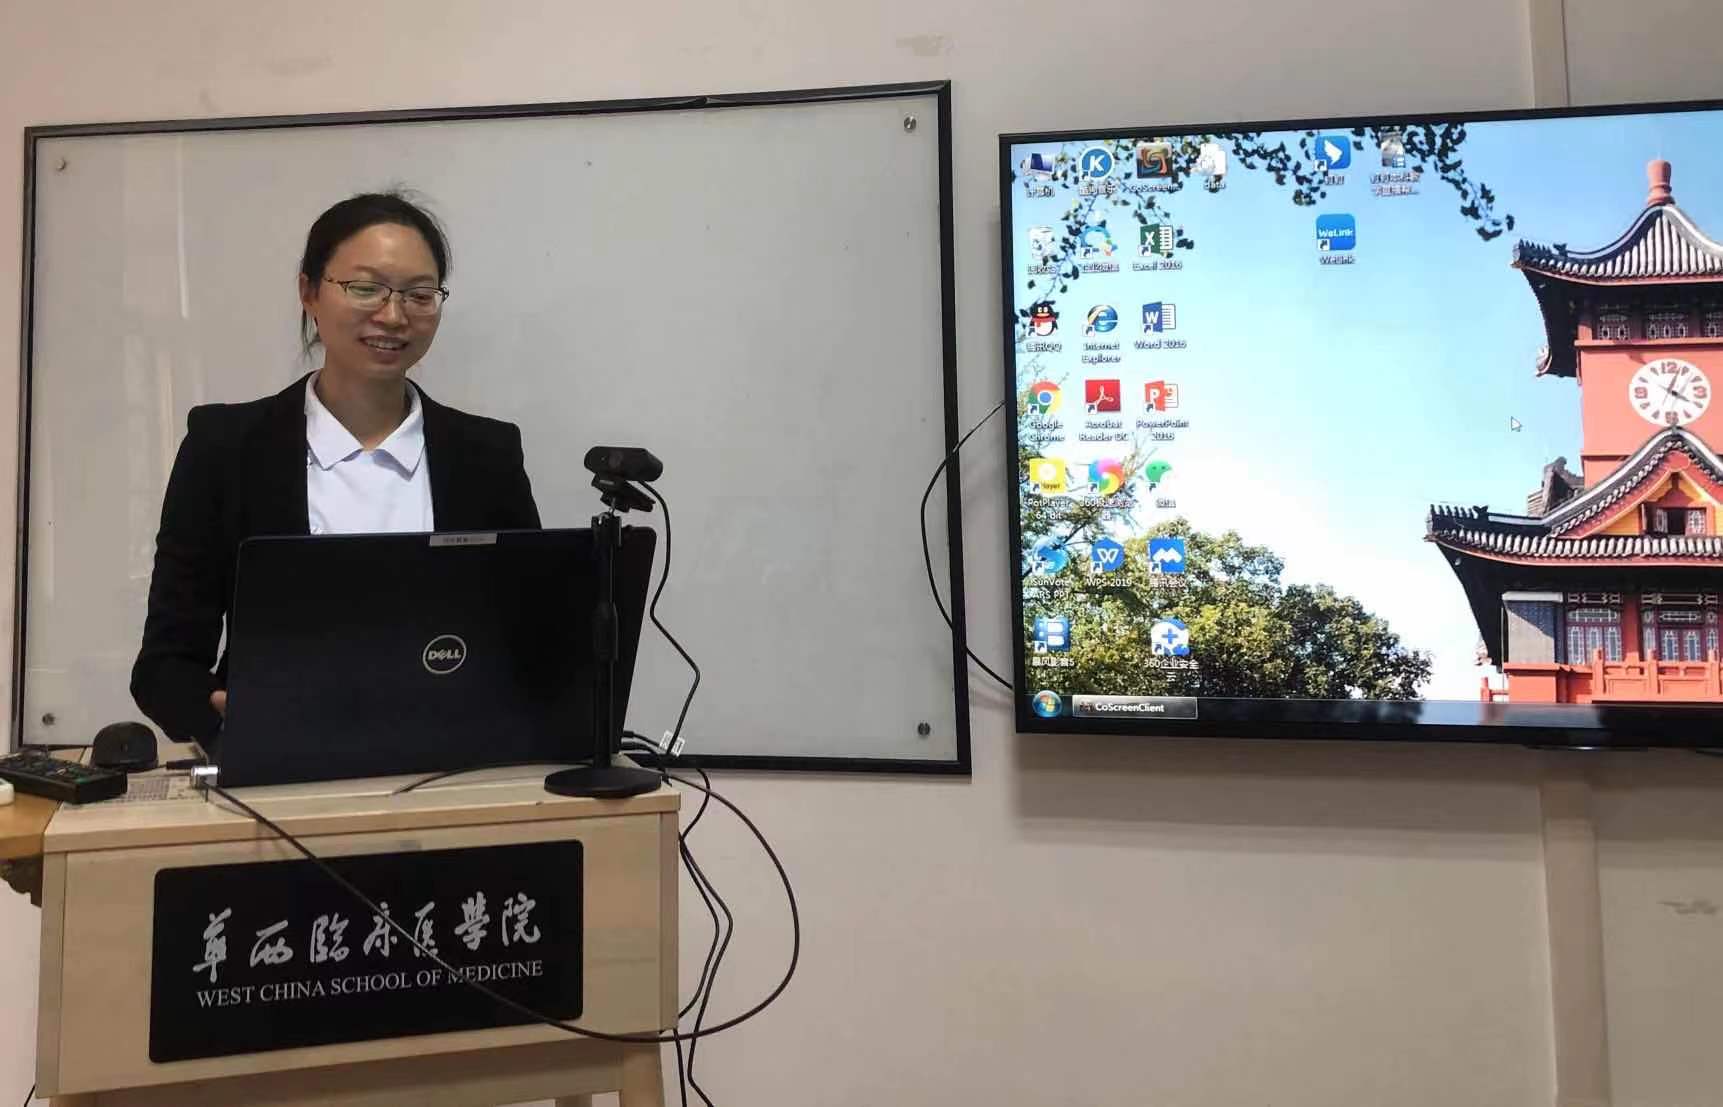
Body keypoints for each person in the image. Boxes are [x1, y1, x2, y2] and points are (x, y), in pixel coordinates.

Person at [130, 192, 541, 744]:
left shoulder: (486, 454)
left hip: (451, 761)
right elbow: (165, 665)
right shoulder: (225, 448)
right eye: (366, 288)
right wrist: (223, 718)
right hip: (281, 766)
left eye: (419, 294)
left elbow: (532, 635)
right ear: (309, 292)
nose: (393, 315)